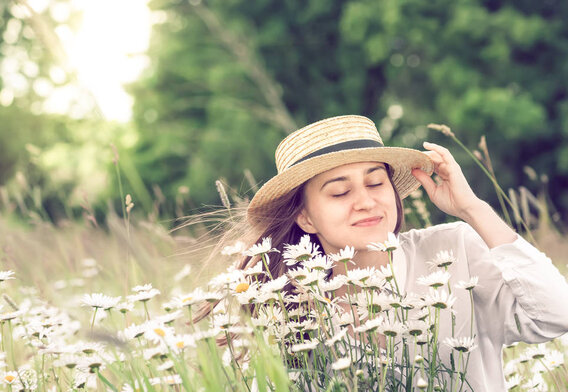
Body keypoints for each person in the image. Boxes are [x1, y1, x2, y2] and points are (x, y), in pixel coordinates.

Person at [202, 115, 568, 391]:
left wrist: (474, 209)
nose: (366, 201)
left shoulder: (454, 249)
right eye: (340, 192)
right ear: (306, 217)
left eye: (376, 183)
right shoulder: (286, 309)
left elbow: (557, 314)